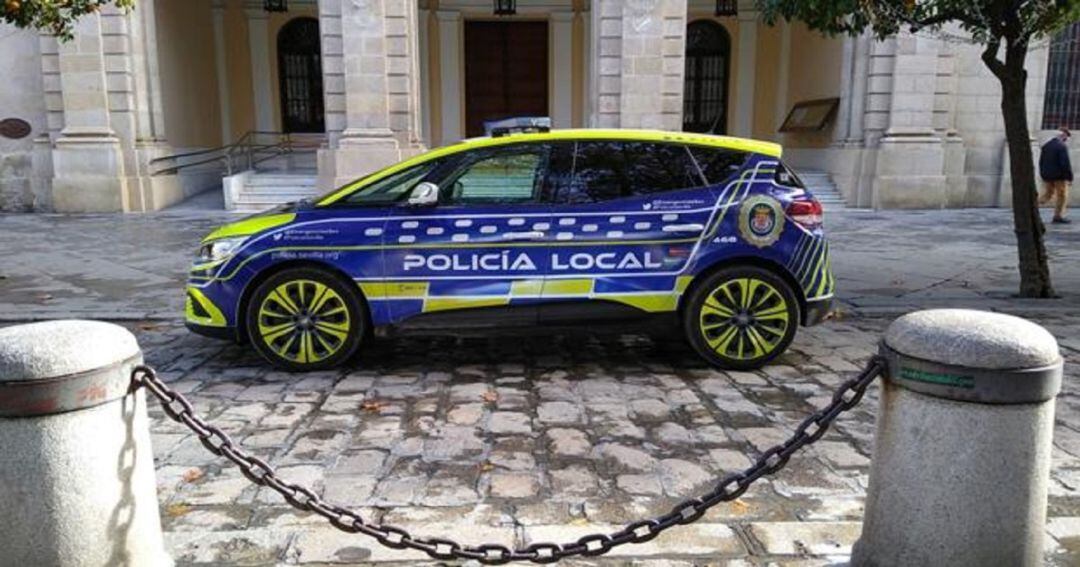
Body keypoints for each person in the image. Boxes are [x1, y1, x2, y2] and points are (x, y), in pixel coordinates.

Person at [1039, 127, 1073, 224]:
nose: (1066, 139)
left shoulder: (1046, 145)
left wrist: (1043, 174)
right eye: (1066, 137)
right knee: (1062, 196)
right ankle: (1058, 216)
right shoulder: (1062, 146)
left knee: (1047, 194)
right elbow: (1065, 163)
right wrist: (1069, 177)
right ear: (1063, 135)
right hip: (1059, 176)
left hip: (1047, 175)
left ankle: (1030, 207)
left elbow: (1041, 162)